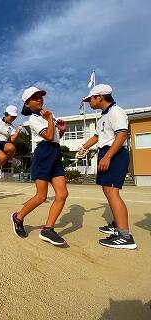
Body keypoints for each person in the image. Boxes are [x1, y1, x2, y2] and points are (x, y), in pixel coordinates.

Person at [78, 84, 137, 249]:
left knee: (112, 192)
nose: (89, 102)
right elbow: (97, 136)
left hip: (115, 154)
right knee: (107, 190)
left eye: (91, 99)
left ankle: (125, 236)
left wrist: (109, 156)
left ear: (100, 97)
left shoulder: (116, 111)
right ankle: (117, 224)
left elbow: (121, 134)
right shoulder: (104, 114)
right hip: (106, 153)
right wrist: (84, 147)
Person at [11, 86, 68, 246]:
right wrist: (50, 118)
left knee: (62, 194)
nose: (40, 99)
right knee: (41, 196)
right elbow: (48, 136)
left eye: (40, 96)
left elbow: (55, 137)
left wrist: (62, 131)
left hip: (55, 153)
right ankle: (18, 217)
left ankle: (48, 229)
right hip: (43, 154)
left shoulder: (49, 116)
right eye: (35, 97)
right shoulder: (33, 119)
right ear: (27, 104)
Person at [0, 105, 23, 179]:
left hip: (4, 143)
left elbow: (12, 139)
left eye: (14, 117)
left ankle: (10, 159)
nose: (13, 119)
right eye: (11, 116)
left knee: (12, 147)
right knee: (3, 158)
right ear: (6, 114)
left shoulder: (11, 127)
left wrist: (18, 130)